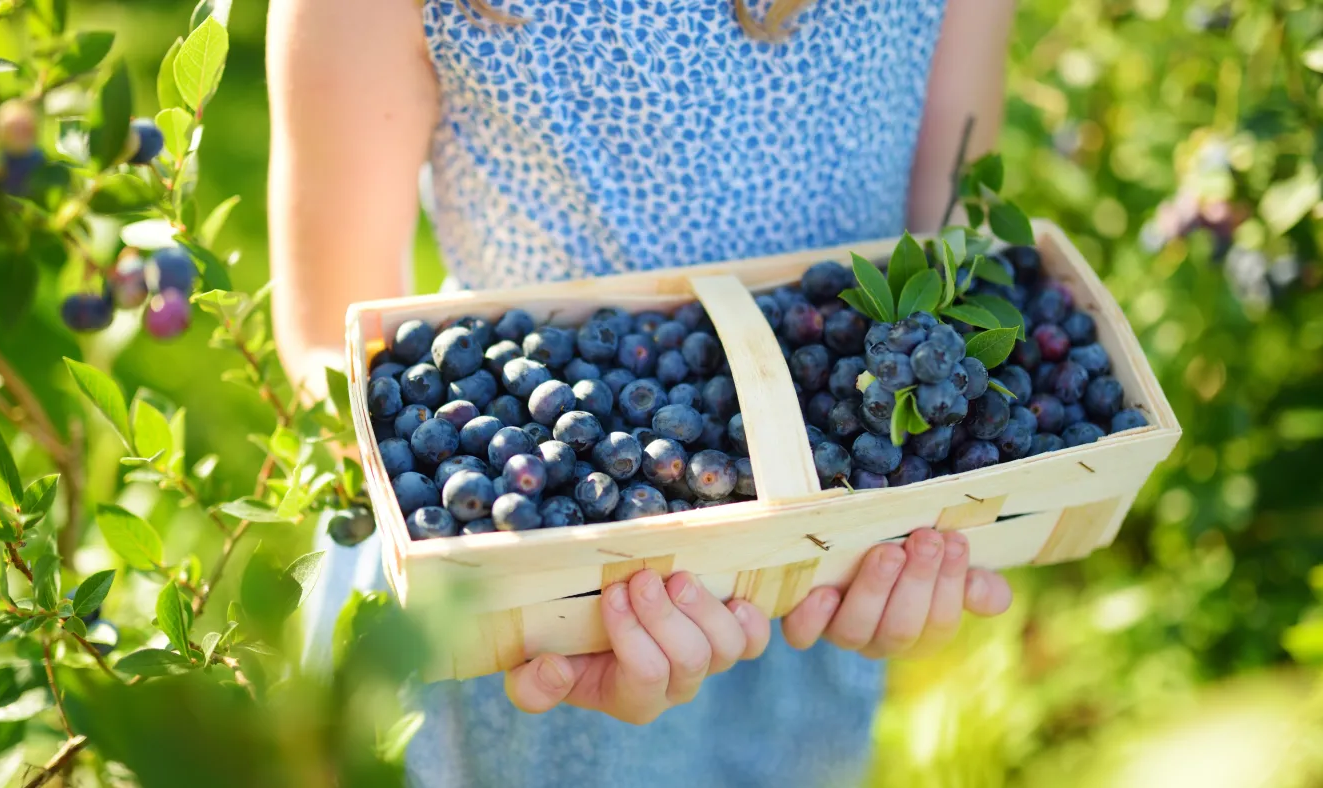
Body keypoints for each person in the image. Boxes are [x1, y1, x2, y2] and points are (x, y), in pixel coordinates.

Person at [268, 0, 1017, 785]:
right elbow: (339, 358)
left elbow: (949, 267)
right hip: (518, 591)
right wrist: (541, 597)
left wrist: (925, 518)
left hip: (812, 559)